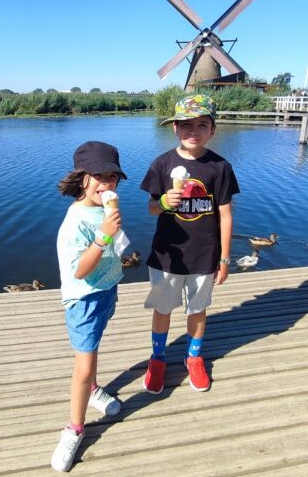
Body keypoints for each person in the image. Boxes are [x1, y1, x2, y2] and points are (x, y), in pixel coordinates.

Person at [140, 94, 239, 395]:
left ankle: (193, 357)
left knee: (197, 310)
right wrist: (164, 203)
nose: (192, 130)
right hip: (167, 256)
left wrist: (224, 258)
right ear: (174, 129)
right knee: (163, 308)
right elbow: (150, 208)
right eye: (185, 124)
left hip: (204, 256)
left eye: (201, 124)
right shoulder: (162, 163)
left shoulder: (219, 167)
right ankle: (157, 359)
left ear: (213, 130)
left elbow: (225, 215)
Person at [51, 140, 127, 472]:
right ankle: (75, 429)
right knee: (83, 365)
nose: (106, 184)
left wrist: (112, 230)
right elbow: (80, 269)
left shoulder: (103, 210)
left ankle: (95, 390)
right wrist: (104, 238)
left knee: (94, 348)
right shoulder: (74, 223)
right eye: (99, 176)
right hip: (84, 300)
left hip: (105, 290)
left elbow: (111, 246)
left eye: (112, 177)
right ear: (81, 178)